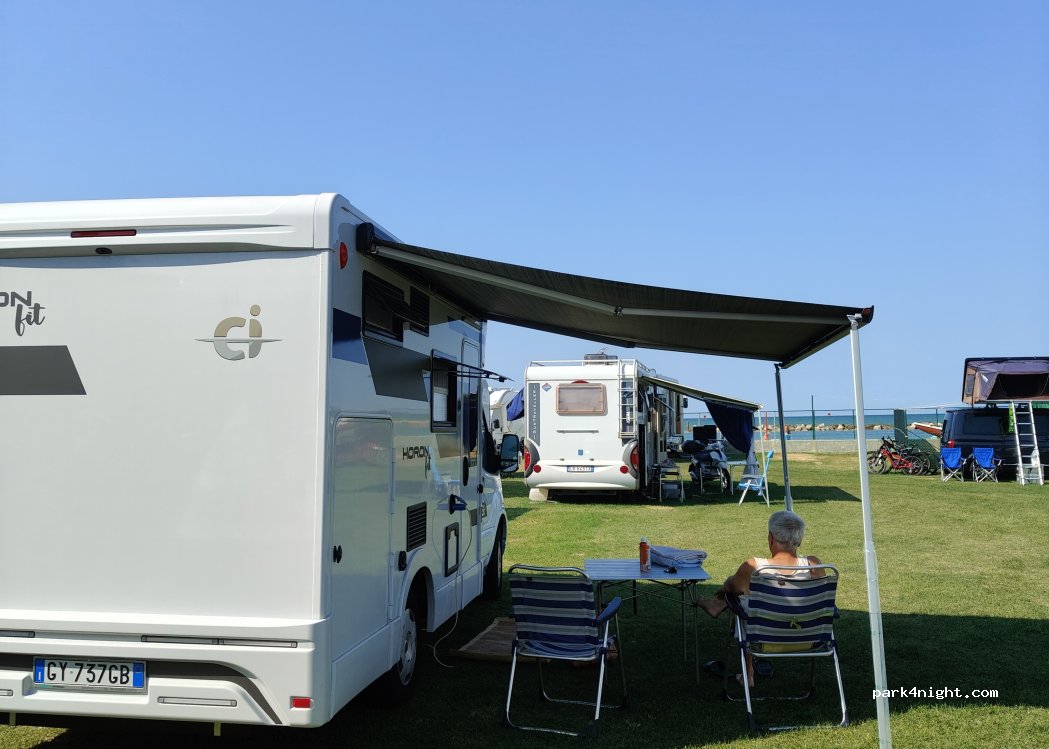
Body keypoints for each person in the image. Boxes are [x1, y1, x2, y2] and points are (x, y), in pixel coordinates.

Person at [697, 510, 825, 686]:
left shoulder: (755, 567)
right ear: (800, 540)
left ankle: (748, 673)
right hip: (808, 637)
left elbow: (732, 586)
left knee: (745, 600)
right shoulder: (813, 565)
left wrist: (724, 590)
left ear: (770, 538)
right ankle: (717, 605)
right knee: (751, 599)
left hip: (762, 638)